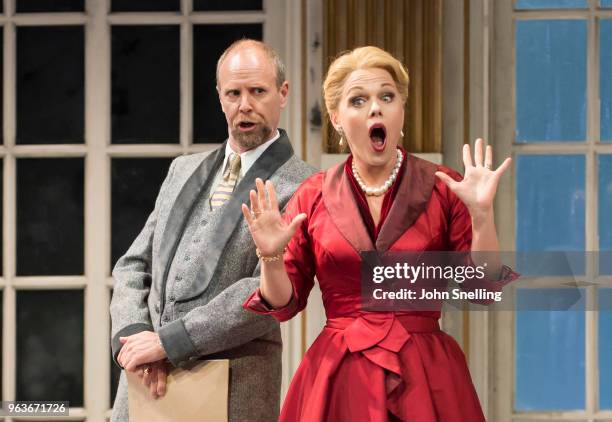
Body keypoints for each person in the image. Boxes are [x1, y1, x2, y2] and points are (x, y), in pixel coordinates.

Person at [241, 46, 519, 421]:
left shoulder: (443, 187)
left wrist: (482, 215)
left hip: (425, 376)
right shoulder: (313, 195)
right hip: (339, 377)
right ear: (337, 118)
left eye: (386, 97)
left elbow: (482, 289)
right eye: (359, 100)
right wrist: (271, 257)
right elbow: (283, 305)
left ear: (400, 110)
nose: (375, 108)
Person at [109, 39, 314, 422]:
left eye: (257, 91)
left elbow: (266, 295)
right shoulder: (182, 169)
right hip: (144, 383)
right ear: (220, 97)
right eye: (233, 93)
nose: (245, 105)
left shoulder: (306, 186)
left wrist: (168, 343)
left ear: (283, 94)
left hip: (234, 390)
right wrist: (133, 338)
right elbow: (132, 266)